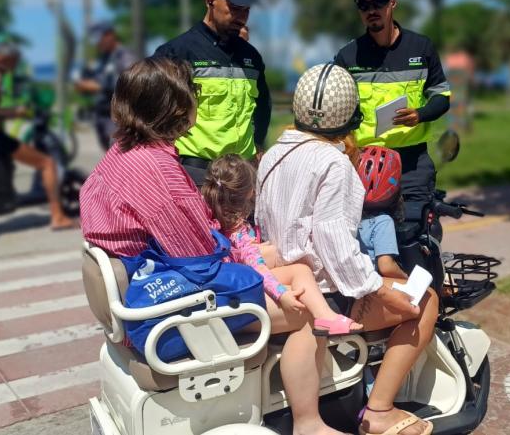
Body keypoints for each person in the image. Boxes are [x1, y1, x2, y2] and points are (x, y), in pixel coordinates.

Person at [80, 57, 346, 435]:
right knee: (305, 311)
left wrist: (250, 254)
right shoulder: (159, 174)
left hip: (142, 289)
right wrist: (244, 254)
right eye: (192, 95)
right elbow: (203, 266)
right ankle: (309, 423)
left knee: (287, 261)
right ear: (176, 108)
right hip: (172, 306)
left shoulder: (118, 156)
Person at [256, 63, 438, 435]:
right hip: (328, 294)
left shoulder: (273, 155)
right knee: (428, 300)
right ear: (350, 117)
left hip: (283, 284)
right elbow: (334, 242)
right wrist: (378, 288)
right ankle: (380, 410)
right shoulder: (334, 163)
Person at [202, 154, 365, 336]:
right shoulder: (238, 231)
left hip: (227, 279)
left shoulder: (210, 217)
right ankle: (325, 316)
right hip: (237, 286)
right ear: (250, 192)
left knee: (300, 269)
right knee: (300, 274)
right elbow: (257, 268)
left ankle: (325, 316)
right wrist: (282, 294)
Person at [334, 0, 451, 204]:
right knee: (366, 235)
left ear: (393, 2)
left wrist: (420, 115)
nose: (371, 10)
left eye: (378, 2)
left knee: (413, 232)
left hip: (413, 162)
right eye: (363, 5)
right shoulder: (347, 56)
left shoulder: (421, 47)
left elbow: (441, 97)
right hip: (365, 161)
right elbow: (336, 108)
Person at [153, 0, 271, 183]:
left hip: (242, 176)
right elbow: (152, 115)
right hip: (195, 176)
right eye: (235, 8)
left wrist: (259, 145)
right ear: (210, 0)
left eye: (247, 10)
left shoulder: (251, 57)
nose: (242, 17)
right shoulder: (176, 53)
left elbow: (263, 107)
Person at [0, 42, 76, 230]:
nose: (14, 67)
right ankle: (58, 216)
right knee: (46, 163)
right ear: (7, 58)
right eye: (15, 62)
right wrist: (17, 112)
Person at [75, 21, 136, 151]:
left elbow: (130, 83)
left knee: (120, 156)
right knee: (109, 156)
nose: (97, 43)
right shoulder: (104, 58)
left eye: (99, 39)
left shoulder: (125, 56)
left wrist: (98, 87)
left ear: (110, 35)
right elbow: (97, 79)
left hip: (119, 118)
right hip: (102, 115)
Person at [357, 146, 407, 279]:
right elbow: (386, 267)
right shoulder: (383, 221)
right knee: (429, 295)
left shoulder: (348, 215)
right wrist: (406, 278)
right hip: (369, 285)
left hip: (345, 283)